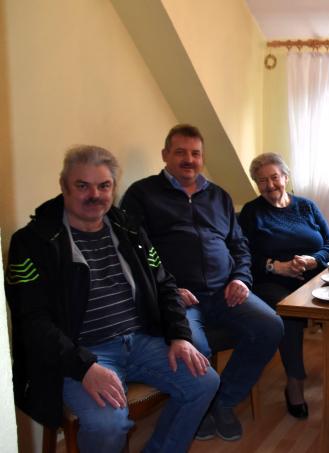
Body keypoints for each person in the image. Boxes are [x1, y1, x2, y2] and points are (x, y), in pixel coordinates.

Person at [4, 145, 219, 452]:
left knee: (205, 382)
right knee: (109, 425)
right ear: (64, 186)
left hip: (141, 341)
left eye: (104, 186)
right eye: (83, 186)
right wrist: (84, 367)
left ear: (113, 188)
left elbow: (165, 284)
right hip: (82, 352)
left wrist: (179, 336)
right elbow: (32, 322)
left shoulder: (128, 228)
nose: (95, 195)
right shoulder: (33, 243)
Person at [120, 125, 283, 441]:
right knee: (197, 347)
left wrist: (241, 278)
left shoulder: (219, 195)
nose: (189, 159)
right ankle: (201, 403)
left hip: (225, 292)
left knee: (270, 326)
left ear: (202, 157)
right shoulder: (142, 195)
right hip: (178, 297)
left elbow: (239, 245)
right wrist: (165, 290)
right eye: (180, 152)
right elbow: (132, 253)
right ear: (165, 155)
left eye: (195, 153)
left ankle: (221, 401)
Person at [238, 152, 329, 419]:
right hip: (272, 280)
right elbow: (243, 255)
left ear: (285, 177)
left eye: (274, 177)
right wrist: (277, 266)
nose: (270, 185)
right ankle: (294, 382)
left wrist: (312, 260)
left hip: (313, 276)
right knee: (290, 311)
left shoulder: (306, 206)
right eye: (262, 180)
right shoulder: (251, 213)